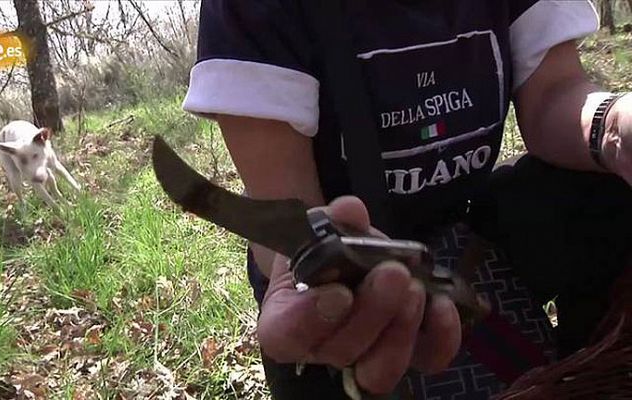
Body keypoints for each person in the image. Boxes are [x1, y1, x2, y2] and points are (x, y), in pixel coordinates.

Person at [181, 0, 632, 398]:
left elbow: (553, 91)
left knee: (608, 192)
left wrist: (613, 127)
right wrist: (318, 270)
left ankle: (585, 367)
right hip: (343, 273)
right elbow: (287, 213)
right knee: (342, 339)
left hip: (470, 227)